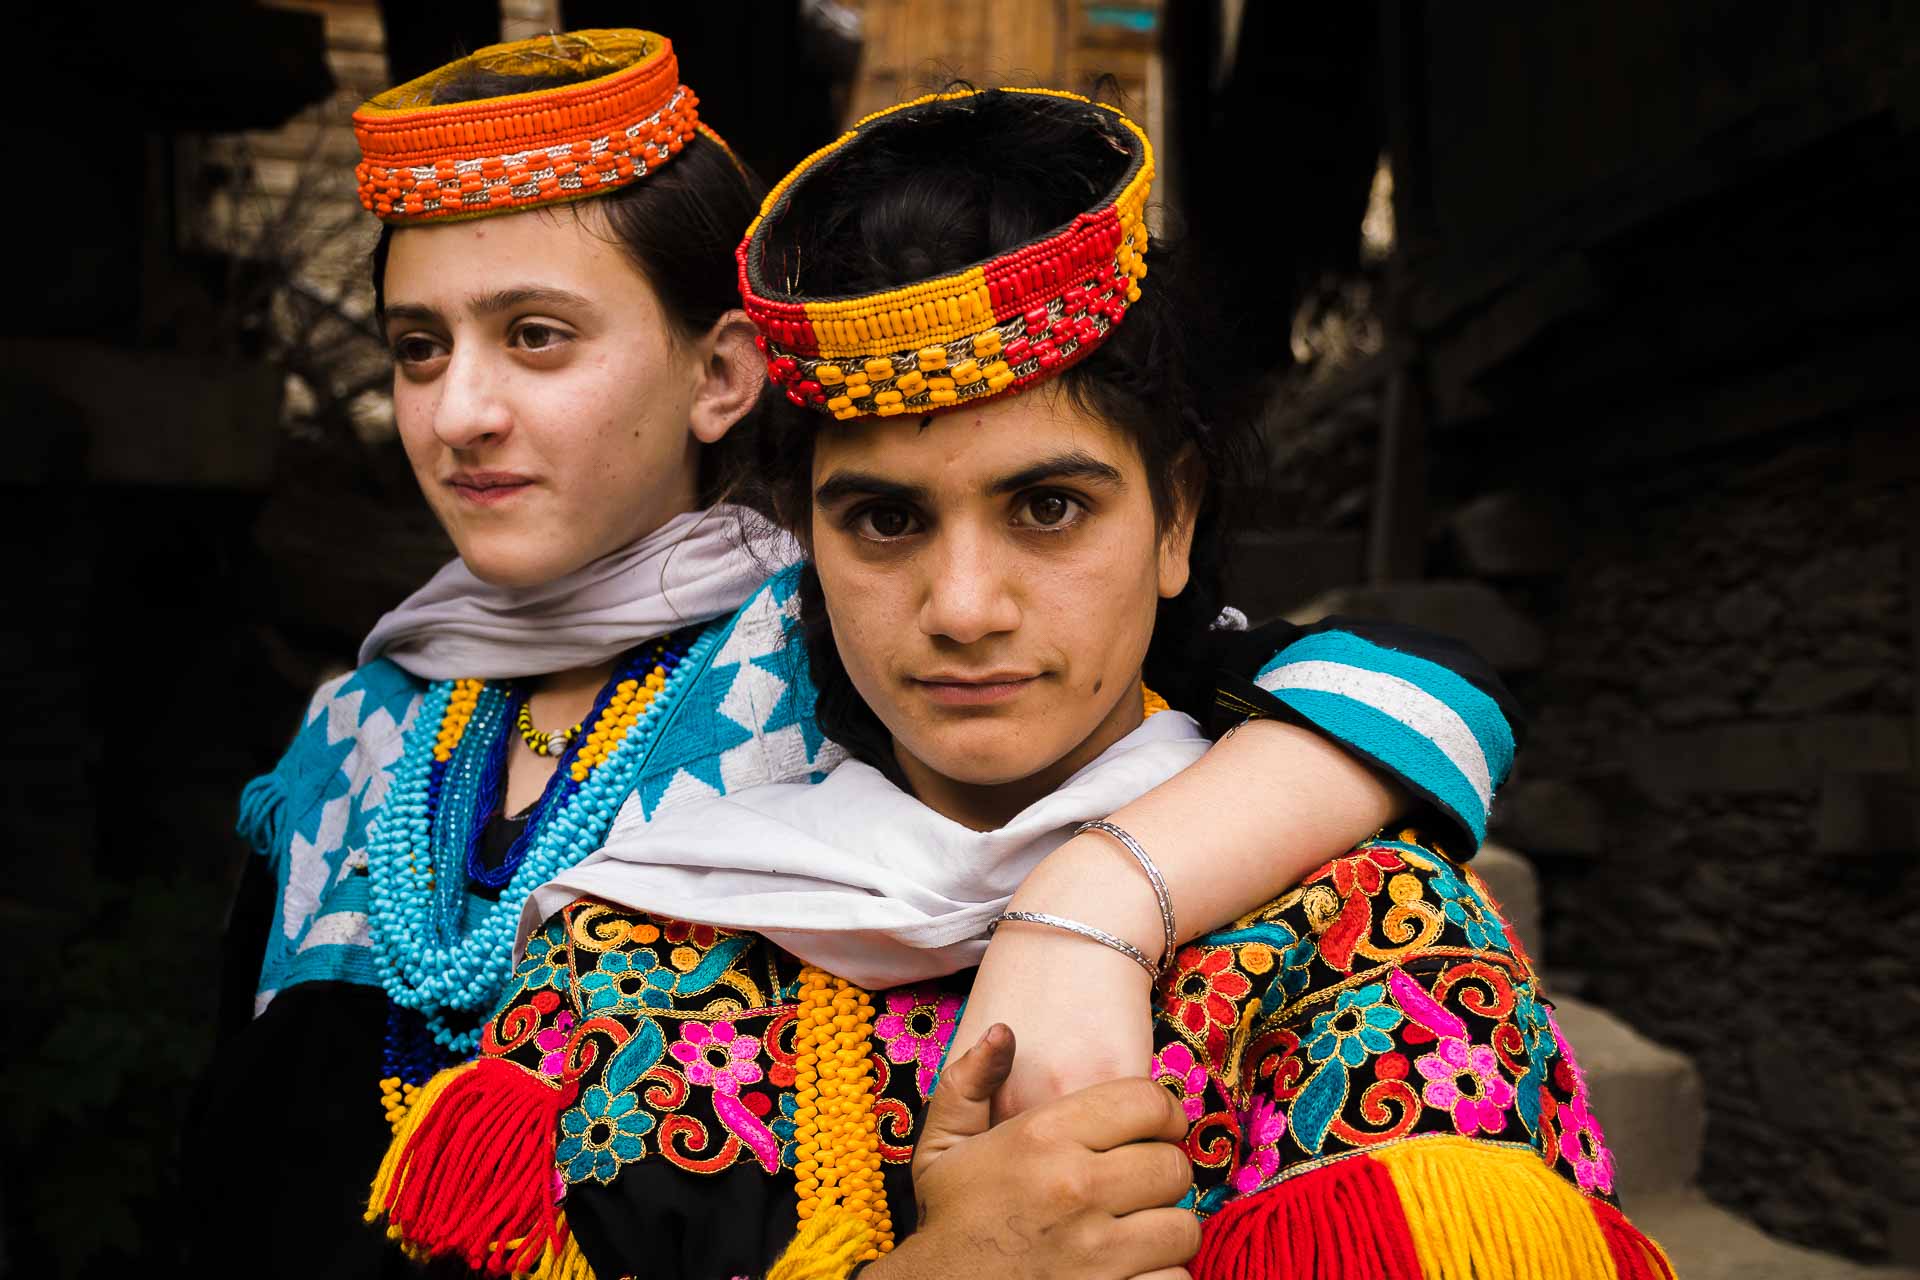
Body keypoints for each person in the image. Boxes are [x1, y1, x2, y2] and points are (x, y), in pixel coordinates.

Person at [365, 87, 1666, 1280]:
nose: (965, 609)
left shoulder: (1367, 942)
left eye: (1047, 506)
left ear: (1173, 527)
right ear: (806, 545)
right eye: (883, 522)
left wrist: (1087, 908)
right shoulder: (632, 961)